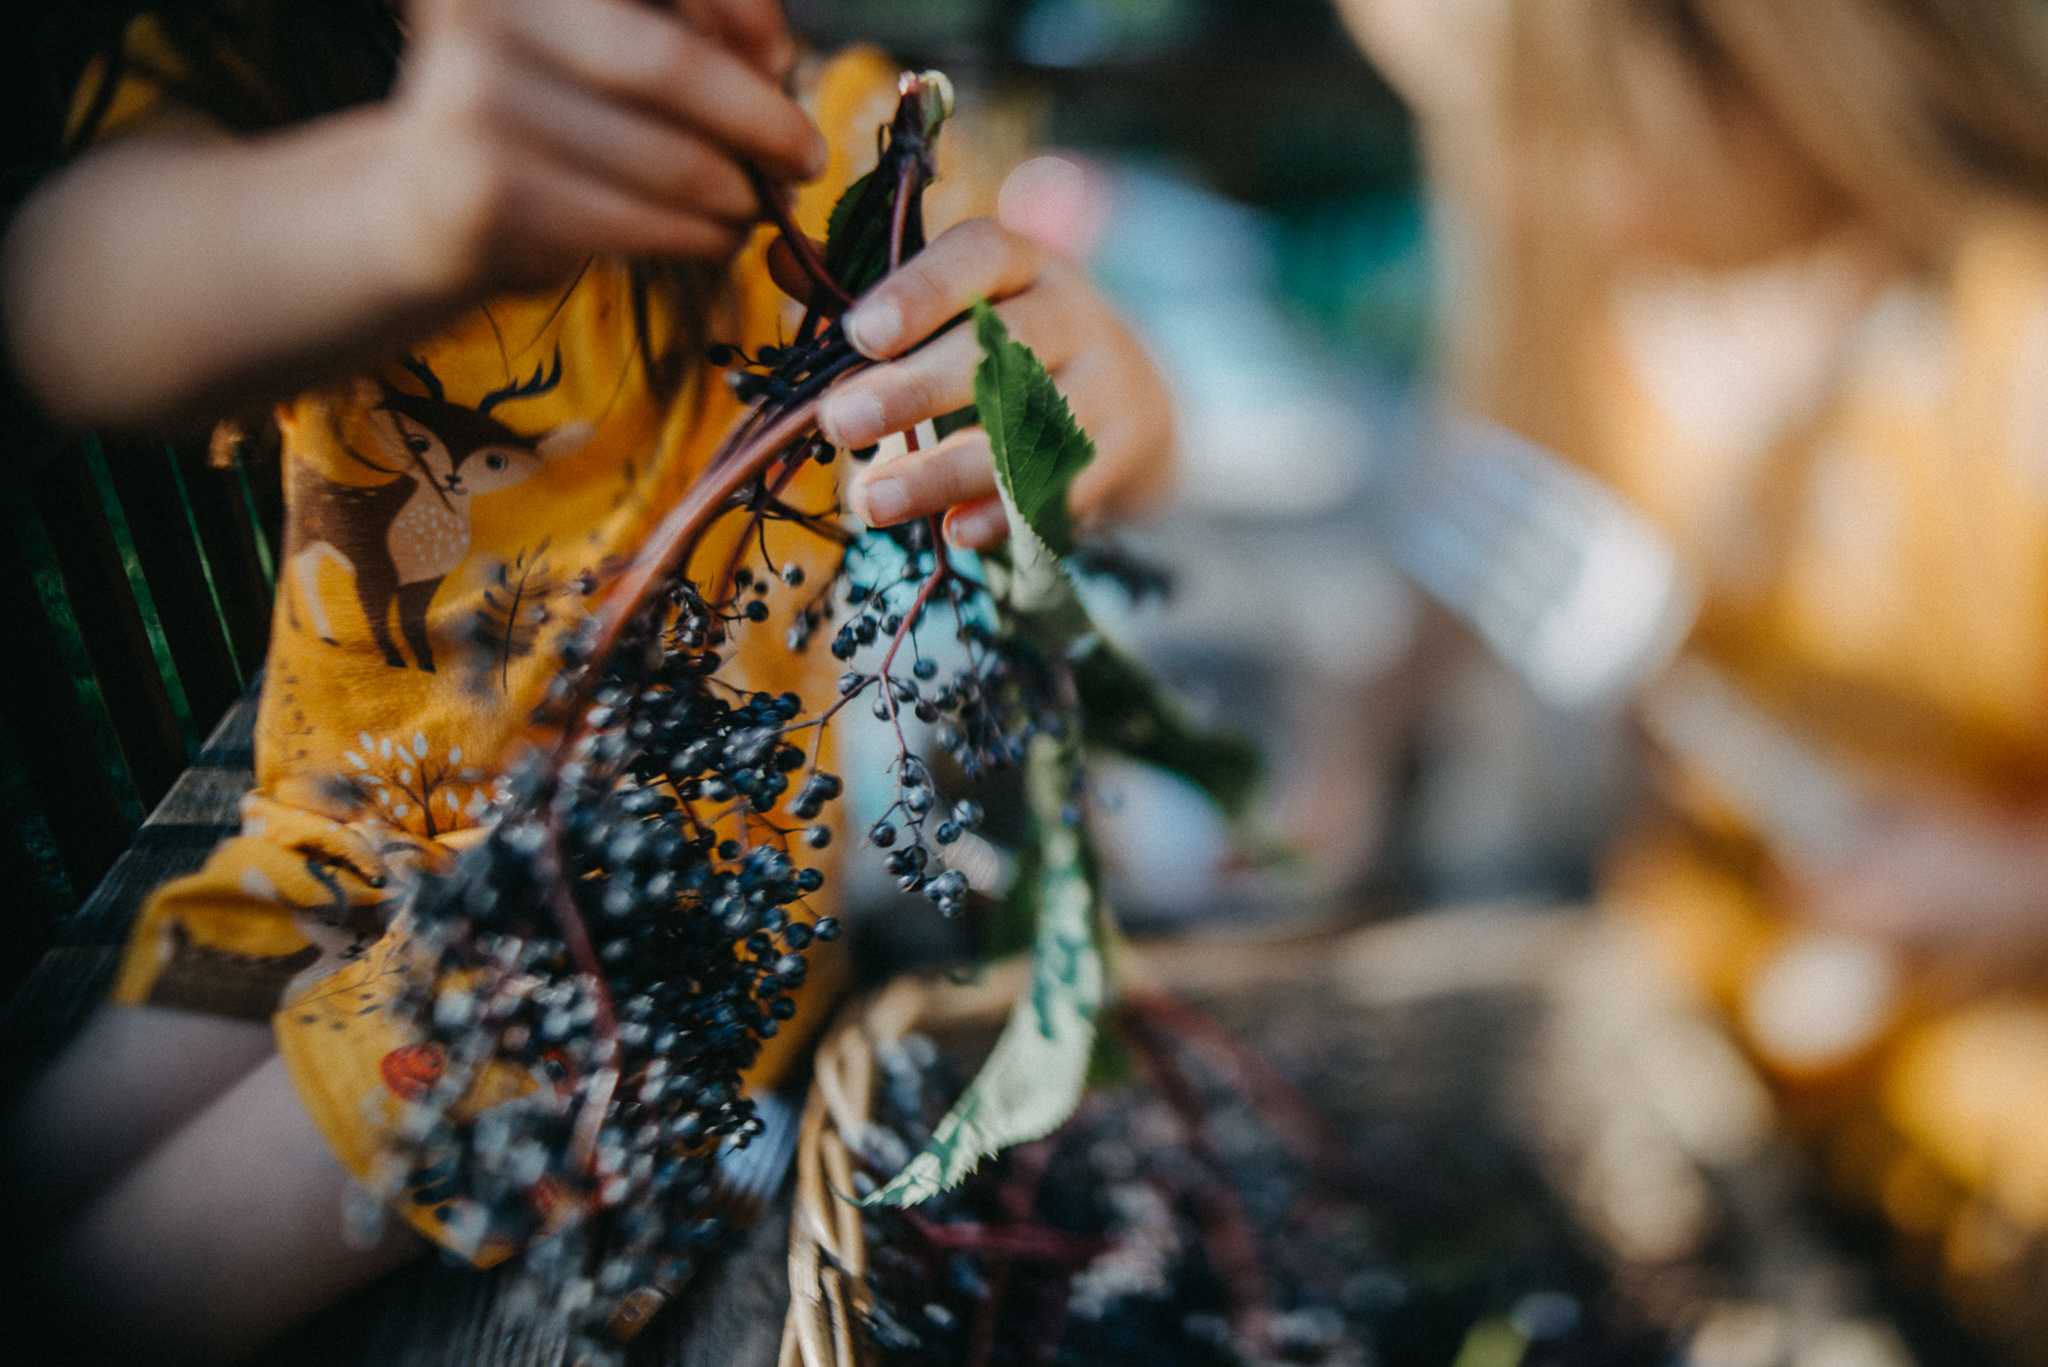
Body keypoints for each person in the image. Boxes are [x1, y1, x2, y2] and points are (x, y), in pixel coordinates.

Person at [0, 0, 1172, 1358]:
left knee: (112, 1290)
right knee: (56, 1165)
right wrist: (405, 195)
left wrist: (1110, 409)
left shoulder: (853, 145)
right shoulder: (280, 87)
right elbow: (73, 292)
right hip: (335, 852)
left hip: (626, 941)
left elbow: (1097, 407)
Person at [1337, 0, 2048, 1349]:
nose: (1510, 192)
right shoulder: (1615, 325)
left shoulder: (2015, 348)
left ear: (1740, 54)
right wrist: (1343, 769)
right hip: (1731, 1121)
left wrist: (2009, 885)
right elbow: (1451, 577)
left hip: (2005, 1199)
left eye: (1541, 127)